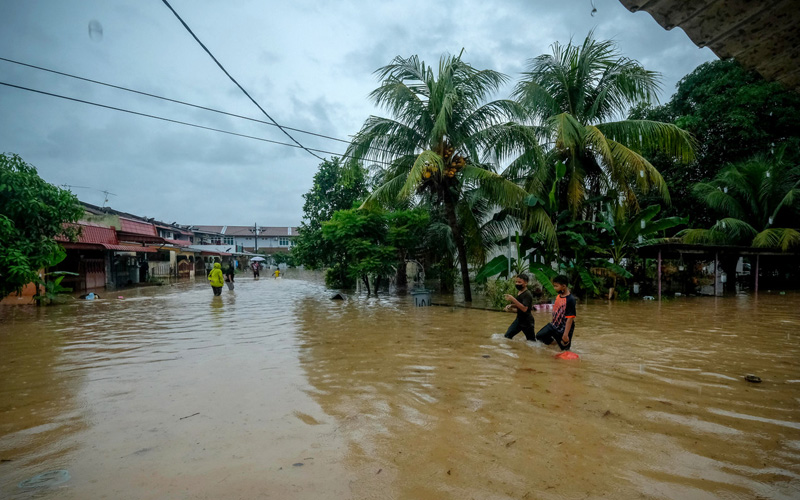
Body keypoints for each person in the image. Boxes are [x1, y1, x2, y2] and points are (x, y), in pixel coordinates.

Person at [535, 275, 577, 350]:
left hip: (564, 328)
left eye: (556, 286)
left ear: (564, 286)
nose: (554, 288)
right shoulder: (559, 296)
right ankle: (554, 343)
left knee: (564, 350)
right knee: (539, 336)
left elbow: (570, 318)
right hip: (554, 324)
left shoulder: (570, 300)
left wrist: (566, 334)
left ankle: (559, 344)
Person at [503, 274, 536, 341]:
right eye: (516, 282)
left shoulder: (527, 294)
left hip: (527, 322)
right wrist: (511, 306)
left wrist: (512, 299)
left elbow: (524, 308)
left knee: (532, 342)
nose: (517, 284)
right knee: (507, 336)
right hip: (519, 320)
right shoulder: (520, 292)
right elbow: (520, 305)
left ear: (526, 283)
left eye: (519, 282)